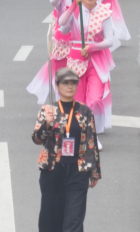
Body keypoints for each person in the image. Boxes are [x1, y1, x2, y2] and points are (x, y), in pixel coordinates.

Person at [33, 67, 102, 232]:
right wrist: (47, 124)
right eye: (65, 83)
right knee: (50, 219)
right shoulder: (48, 110)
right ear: (57, 86)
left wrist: (94, 172)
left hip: (78, 172)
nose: (69, 87)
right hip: (52, 171)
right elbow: (37, 139)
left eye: (73, 83)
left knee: (74, 220)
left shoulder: (85, 111)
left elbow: (91, 142)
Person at [57, 0, 118, 133]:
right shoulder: (75, 11)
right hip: (76, 59)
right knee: (77, 99)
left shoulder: (104, 12)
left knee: (95, 99)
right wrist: (72, 6)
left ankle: (94, 133)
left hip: (96, 60)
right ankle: (80, 131)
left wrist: (92, 47)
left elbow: (110, 40)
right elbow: (62, 25)